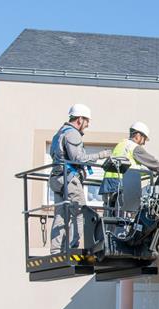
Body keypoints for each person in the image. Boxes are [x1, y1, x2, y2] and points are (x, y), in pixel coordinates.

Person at [48, 104, 111, 253]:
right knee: (80, 213)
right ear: (80, 119)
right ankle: (72, 247)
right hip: (69, 179)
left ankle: (56, 249)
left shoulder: (59, 133)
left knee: (61, 215)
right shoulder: (72, 133)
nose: (87, 125)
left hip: (57, 178)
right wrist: (101, 155)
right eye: (86, 121)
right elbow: (79, 158)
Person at [101, 121, 159, 209]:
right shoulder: (135, 148)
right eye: (144, 138)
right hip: (123, 185)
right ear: (138, 135)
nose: (144, 143)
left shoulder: (121, 144)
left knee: (109, 216)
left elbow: (130, 168)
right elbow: (153, 163)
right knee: (125, 217)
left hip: (108, 185)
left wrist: (148, 173)